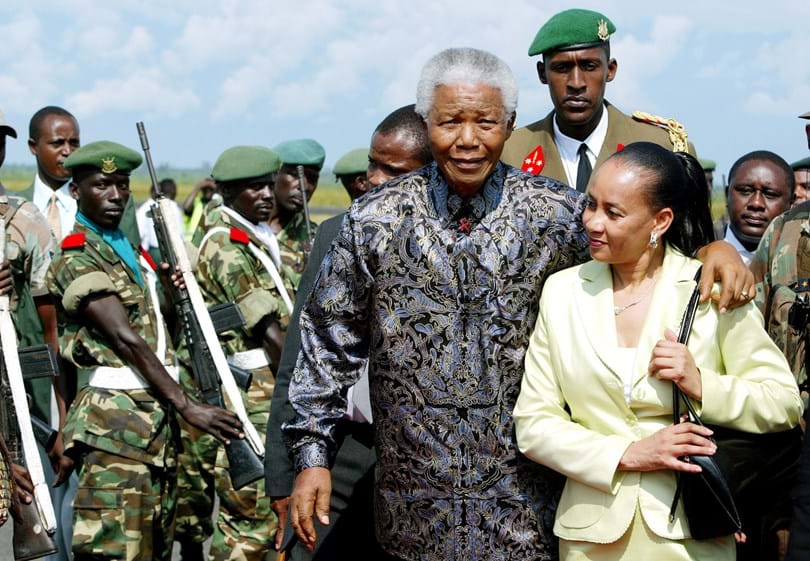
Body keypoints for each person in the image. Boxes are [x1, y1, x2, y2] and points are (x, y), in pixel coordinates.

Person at [283, 48, 752, 561]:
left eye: (484, 122)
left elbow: (640, 251)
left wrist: (714, 248)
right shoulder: (375, 220)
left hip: (529, 510)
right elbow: (326, 346)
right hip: (410, 511)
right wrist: (312, 457)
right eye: (449, 122)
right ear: (426, 123)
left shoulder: (557, 215)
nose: (467, 140)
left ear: (508, 125)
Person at [513, 141, 802, 561]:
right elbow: (534, 422)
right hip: (589, 538)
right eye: (590, 204)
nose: (593, 222)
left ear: (660, 220)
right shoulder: (562, 291)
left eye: (613, 212)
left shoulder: (710, 289)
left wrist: (702, 383)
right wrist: (628, 454)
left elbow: (782, 402)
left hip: (691, 533)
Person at [46, 141, 242, 561]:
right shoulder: (77, 254)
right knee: (116, 551)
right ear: (76, 191)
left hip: (157, 429)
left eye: (121, 185)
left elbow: (158, 334)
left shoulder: (136, 256)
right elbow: (124, 339)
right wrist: (188, 405)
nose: (115, 195)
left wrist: (172, 296)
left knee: (153, 551)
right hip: (115, 430)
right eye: (102, 185)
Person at [267, 104, 432, 561]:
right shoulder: (336, 235)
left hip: (424, 460)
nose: (374, 180)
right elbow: (298, 362)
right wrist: (284, 474)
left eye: (393, 171)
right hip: (342, 451)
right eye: (372, 166)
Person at [181, 145, 294, 561]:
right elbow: (270, 336)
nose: (267, 194)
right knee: (251, 524)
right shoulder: (228, 248)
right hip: (256, 395)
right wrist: (302, 392)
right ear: (228, 192)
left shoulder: (247, 237)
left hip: (260, 389)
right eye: (254, 188)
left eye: (269, 185)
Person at [500, 9, 696, 190]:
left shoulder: (661, 149)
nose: (576, 83)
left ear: (610, 70)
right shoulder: (508, 153)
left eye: (589, 66)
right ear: (543, 74)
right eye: (562, 68)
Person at [269, 138, 326, 290]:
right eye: (294, 175)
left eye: (312, 179)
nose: (304, 186)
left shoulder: (318, 240)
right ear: (274, 175)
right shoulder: (243, 226)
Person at [724, 151, 793, 265]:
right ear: (727, 195)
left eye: (770, 194)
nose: (756, 203)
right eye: (745, 191)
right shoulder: (697, 254)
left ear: (791, 203)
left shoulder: (801, 260)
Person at [135, 177, 185, 263]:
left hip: (154, 251)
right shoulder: (173, 206)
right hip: (167, 250)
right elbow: (179, 233)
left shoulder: (148, 207)